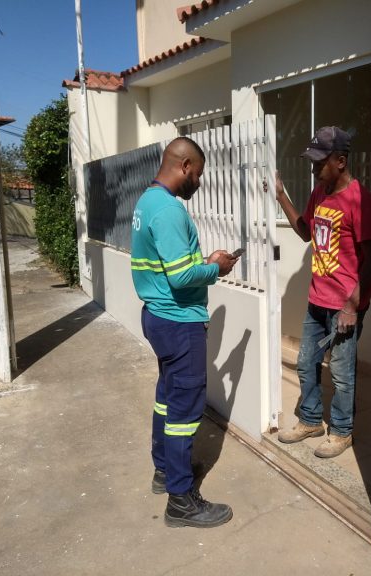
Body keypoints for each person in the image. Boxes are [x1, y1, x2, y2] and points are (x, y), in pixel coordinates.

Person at [131, 137, 238, 528]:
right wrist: (217, 268)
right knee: (185, 411)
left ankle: (164, 469)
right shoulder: (169, 211)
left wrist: (204, 261)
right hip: (178, 321)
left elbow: (169, 265)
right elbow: (180, 276)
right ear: (186, 166)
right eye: (199, 175)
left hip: (158, 316)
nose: (199, 183)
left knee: (167, 397)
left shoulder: (147, 202)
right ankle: (181, 500)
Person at [268, 126, 371, 458]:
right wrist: (280, 195)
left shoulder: (361, 200)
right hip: (317, 299)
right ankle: (311, 420)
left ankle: (343, 431)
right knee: (306, 362)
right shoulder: (319, 194)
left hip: (346, 303)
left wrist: (352, 305)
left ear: (341, 161)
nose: (314, 169)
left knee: (343, 373)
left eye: (320, 163)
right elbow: (305, 232)